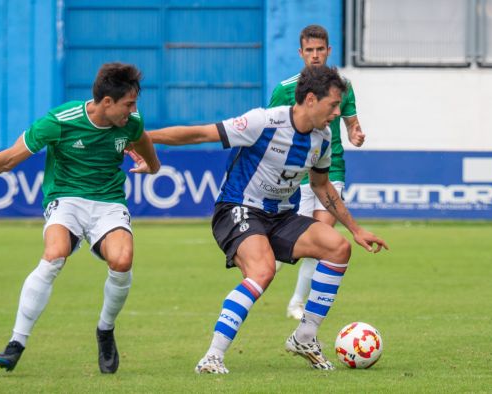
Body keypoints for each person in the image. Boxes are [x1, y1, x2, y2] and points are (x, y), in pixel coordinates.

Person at [142, 65, 388, 373]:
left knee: (338, 248)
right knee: (263, 271)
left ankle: (305, 336)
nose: (337, 112)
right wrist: (141, 137)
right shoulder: (263, 121)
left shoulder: (322, 139)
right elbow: (201, 133)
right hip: (238, 208)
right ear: (311, 99)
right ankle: (213, 356)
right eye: (333, 104)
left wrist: (355, 229)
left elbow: (321, 186)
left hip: (281, 216)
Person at [0, 62, 161, 374]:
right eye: (128, 103)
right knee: (54, 256)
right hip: (66, 199)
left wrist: (152, 166)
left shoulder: (131, 121)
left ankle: (105, 330)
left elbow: (142, 141)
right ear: (107, 102)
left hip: (108, 201)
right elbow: (8, 159)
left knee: (122, 260)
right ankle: (16, 342)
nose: (133, 110)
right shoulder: (60, 121)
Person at [268, 25, 367, 320]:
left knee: (322, 234)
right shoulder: (286, 89)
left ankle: (297, 302)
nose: (314, 55)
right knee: (290, 237)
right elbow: (268, 130)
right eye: (309, 50)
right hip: (294, 173)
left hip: (330, 167)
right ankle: (267, 264)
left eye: (319, 49)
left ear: (328, 50)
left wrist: (355, 133)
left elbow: (351, 123)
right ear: (301, 53)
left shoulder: (343, 86)